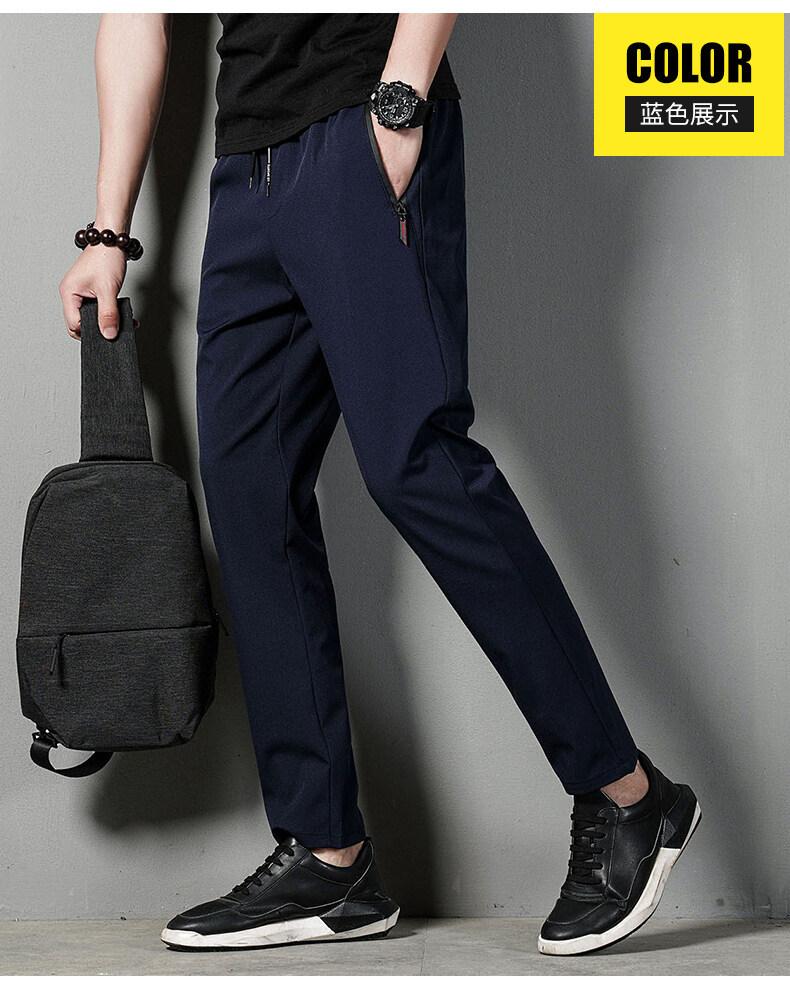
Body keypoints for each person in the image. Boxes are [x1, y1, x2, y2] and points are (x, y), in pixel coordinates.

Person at [59, 13, 700, 956]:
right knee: (248, 494)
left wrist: (399, 104)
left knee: (416, 462)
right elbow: (134, 18)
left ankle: (628, 795)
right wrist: (108, 230)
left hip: (361, 117)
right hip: (248, 166)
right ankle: (328, 856)